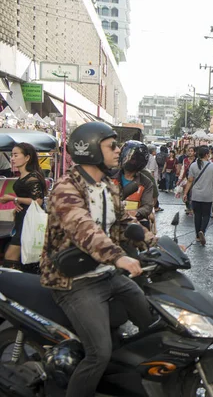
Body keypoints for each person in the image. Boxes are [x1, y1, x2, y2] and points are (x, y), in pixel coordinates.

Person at [39, 122, 158, 397]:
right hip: (74, 282)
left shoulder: (107, 185)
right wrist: (119, 258)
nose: (119, 151)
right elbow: (83, 229)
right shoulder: (65, 187)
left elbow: (122, 223)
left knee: (150, 318)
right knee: (98, 353)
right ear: (90, 149)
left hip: (105, 272)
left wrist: (154, 241)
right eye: (112, 146)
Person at [0, 143, 46, 270]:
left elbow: (38, 201)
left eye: (16, 155)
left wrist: (13, 199)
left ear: (27, 157)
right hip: (23, 218)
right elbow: (28, 197)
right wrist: (18, 203)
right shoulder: (24, 176)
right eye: (12, 155)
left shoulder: (33, 177)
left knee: (11, 256)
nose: (12, 158)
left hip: (29, 221)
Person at [112, 141, 154, 230]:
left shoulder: (146, 182)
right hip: (111, 218)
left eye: (133, 158)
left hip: (135, 221)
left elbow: (147, 206)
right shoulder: (110, 176)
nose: (129, 160)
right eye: (127, 156)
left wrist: (136, 213)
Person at [183, 146, 213, 245]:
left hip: (196, 195)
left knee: (197, 215)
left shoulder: (193, 165)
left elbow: (190, 181)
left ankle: (197, 236)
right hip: (207, 195)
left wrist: (185, 193)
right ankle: (202, 231)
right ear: (207, 155)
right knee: (206, 215)